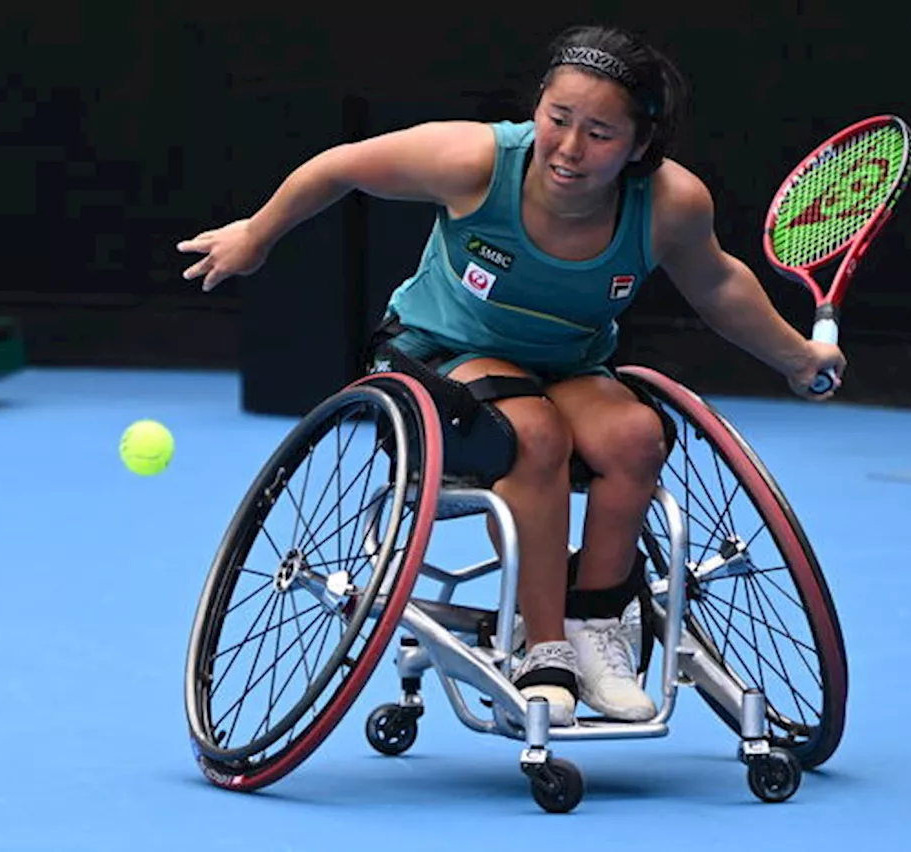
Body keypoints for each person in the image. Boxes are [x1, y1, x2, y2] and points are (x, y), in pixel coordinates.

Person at [177, 25, 847, 726]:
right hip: (438, 355)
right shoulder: (474, 162)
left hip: (567, 366)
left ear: (640, 146)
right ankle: (544, 644)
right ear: (538, 111)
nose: (569, 148)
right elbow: (341, 165)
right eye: (558, 119)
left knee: (636, 438)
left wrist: (798, 357)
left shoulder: (672, 205)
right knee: (532, 433)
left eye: (601, 133)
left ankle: (596, 630)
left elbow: (717, 285)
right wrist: (257, 234)